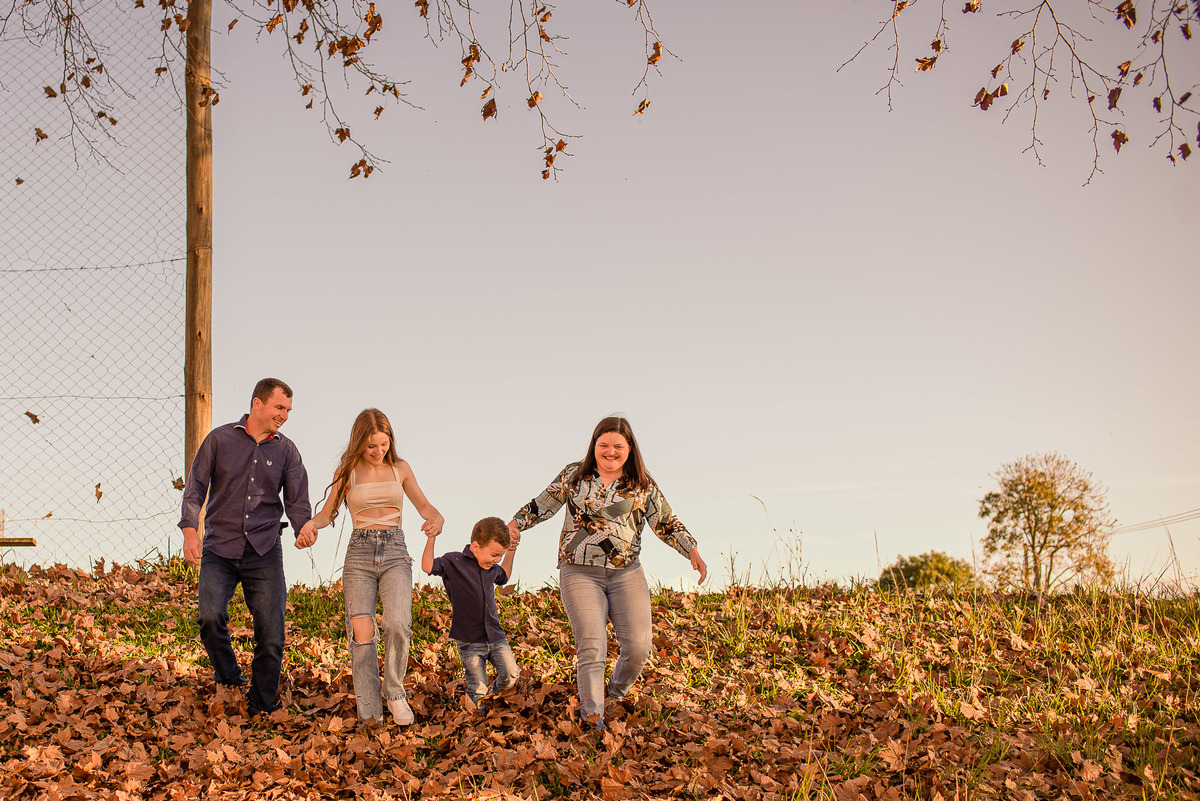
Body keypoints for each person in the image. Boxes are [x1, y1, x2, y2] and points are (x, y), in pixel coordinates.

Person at [508, 415, 707, 731]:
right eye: (604, 445)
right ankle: (593, 717)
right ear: (594, 445)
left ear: (630, 449)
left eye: (618, 446)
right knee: (592, 644)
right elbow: (542, 504)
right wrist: (514, 524)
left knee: (638, 647)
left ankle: (613, 693)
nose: (610, 452)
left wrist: (691, 550)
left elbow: (666, 522)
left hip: (626, 573)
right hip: (579, 572)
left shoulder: (641, 485)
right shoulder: (574, 475)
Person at [179, 377, 315, 717]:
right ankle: (230, 678)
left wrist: (304, 528)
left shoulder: (286, 451)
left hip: (264, 549)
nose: (284, 415)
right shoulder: (219, 440)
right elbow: (195, 489)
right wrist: (190, 532)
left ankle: (262, 705)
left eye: (288, 410)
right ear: (257, 403)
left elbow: (297, 500)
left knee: (271, 632)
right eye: (279, 407)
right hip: (219, 548)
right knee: (210, 618)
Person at [301, 409, 443, 725]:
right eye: (371, 446)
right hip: (359, 555)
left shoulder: (400, 469)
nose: (378, 451)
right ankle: (369, 712)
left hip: (395, 551)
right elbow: (327, 513)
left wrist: (437, 519)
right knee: (362, 634)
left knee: (397, 623)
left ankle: (394, 693)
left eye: (383, 444)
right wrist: (311, 525)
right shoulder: (347, 471)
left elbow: (424, 506)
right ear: (359, 443)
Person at [422, 516, 519, 708]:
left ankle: (494, 697)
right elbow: (428, 566)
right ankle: (478, 718)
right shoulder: (454, 561)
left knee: (511, 673)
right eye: (494, 555)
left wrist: (511, 551)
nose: (497, 560)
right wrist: (431, 537)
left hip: (495, 636)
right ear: (475, 547)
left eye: (500, 556)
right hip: (470, 640)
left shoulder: (492, 568)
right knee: (478, 687)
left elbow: (505, 576)